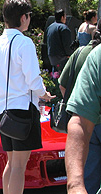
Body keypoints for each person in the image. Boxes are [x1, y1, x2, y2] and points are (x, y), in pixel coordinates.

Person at [0, 1, 55, 193]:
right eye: (29, 15)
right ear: (22, 17)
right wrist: (44, 94)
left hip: (2, 109)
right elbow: (33, 78)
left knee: (11, 163)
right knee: (19, 165)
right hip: (22, 109)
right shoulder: (24, 42)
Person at [59, 20, 101, 194]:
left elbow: (62, 84)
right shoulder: (96, 56)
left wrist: (76, 185)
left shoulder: (79, 53)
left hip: (90, 121)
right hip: (89, 118)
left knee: (90, 176)